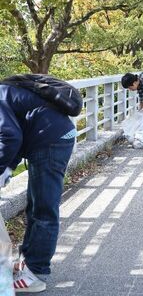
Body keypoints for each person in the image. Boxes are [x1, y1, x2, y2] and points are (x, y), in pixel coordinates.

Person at [0, 78, 76, 293]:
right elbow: (15, 132)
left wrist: (2, 168)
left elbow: (10, 136)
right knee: (34, 207)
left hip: (51, 142)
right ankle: (29, 264)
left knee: (44, 210)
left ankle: (37, 275)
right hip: (50, 138)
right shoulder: (4, 92)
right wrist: (8, 166)